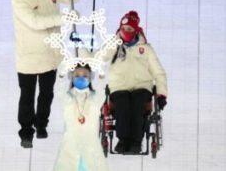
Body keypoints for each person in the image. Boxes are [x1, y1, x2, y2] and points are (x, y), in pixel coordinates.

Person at [11, 0, 80, 148]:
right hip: (28, 57)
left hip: (50, 55)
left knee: (46, 94)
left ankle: (41, 124)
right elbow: (35, 22)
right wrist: (63, 18)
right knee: (27, 95)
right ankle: (26, 133)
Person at [108, 11, 168, 154]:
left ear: (135, 30)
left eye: (129, 29)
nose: (126, 32)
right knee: (123, 105)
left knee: (137, 105)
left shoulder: (146, 49)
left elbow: (159, 72)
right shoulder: (114, 45)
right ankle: (123, 141)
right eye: (123, 29)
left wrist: (161, 95)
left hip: (142, 87)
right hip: (119, 86)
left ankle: (136, 142)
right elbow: (99, 57)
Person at [53, 62, 107, 170]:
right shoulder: (67, 98)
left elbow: (102, 89)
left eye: (85, 75)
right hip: (70, 145)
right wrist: (61, 75)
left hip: (91, 145)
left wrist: (101, 76)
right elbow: (59, 89)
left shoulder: (95, 98)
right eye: (77, 75)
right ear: (72, 78)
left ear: (91, 78)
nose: (81, 78)